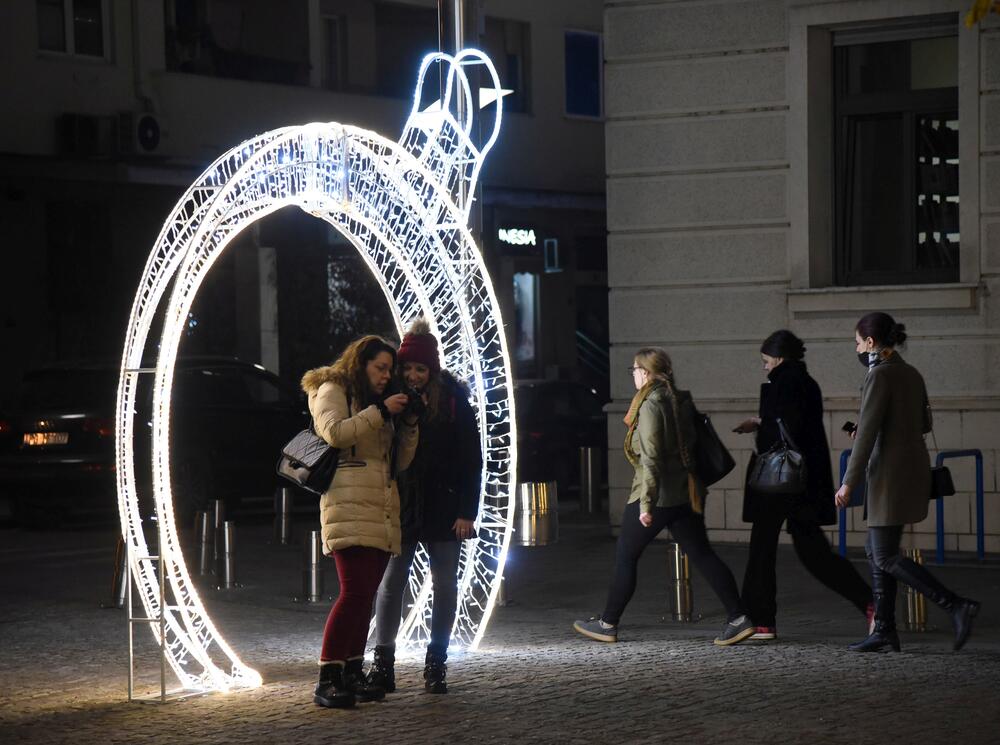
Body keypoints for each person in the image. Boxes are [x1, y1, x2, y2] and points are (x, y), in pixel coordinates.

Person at [573, 347, 754, 646]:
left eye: (634, 369)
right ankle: (739, 618)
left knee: (625, 557)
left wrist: (646, 505)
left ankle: (608, 623)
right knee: (702, 554)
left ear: (645, 372)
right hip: (687, 492)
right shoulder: (680, 399)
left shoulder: (651, 405)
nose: (632, 374)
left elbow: (652, 459)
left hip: (657, 495)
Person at [835, 312, 979, 653]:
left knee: (883, 555)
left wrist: (847, 483)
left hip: (888, 475)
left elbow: (866, 437)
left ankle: (956, 604)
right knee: (876, 551)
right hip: (909, 470)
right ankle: (884, 629)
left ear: (870, 342)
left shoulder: (879, 376)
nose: (856, 348)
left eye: (857, 342)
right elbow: (924, 422)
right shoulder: (911, 372)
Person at [302, 335, 419, 708]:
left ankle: (352, 670)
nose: (386, 376)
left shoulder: (375, 402)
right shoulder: (332, 388)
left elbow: (397, 462)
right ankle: (328, 677)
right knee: (353, 593)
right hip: (348, 503)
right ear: (360, 362)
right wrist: (381, 411)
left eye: (390, 370)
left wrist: (410, 425)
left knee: (365, 595)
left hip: (380, 506)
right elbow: (334, 432)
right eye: (380, 368)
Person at [367, 318, 482, 695]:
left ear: (432, 369)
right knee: (392, 581)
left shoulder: (452, 399)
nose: (414, 375)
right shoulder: (391, 399)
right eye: (408, 367)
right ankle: (383, 663)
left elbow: (471, 458)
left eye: (420, 368)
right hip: (402, 504)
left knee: (445, 583)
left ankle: (437, 663)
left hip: (445, 505)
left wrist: (468, 510)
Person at [734, 330, 873, 641]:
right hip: (805, 481)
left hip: (779, 480)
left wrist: (760, 424)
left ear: (779, 358)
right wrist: (763, 421)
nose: (764, 367)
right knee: (814, 553)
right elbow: (794, 423)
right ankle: (869, 600)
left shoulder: (780, 384)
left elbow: (780, 431)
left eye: (766, 361)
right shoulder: (807, 383)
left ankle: (760, 620)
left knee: (762, 550)